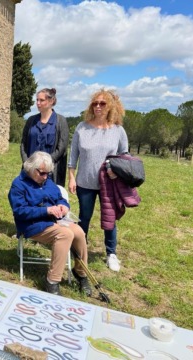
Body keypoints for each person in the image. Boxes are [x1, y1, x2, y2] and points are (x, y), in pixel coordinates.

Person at [8, 151, 91, 296]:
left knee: (78, 232)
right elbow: (20, 212)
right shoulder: (18, 185)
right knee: (65, 234)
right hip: (32, 225)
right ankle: (52, 281)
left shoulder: (47, 181)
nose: (45, 177)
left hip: (55, 220)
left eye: (48, 173)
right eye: (42, 173)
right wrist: (47, 211)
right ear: (31, 168)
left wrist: (64, 206)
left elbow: (59, 198)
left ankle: (81, 273)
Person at [68, 89, 128, 272]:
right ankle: (79, 248)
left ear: (110, 106)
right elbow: (73, 155)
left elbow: (125, 155)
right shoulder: (82, 127)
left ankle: (111, 253)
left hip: (109, 184)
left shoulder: (118, 130)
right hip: (85, 182)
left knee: (110, 219)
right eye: (95, 103)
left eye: (102, 103)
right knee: (84, 217)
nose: (98, 107)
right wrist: (71, 178)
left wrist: (117, 172)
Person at [21, 88, 69, 187]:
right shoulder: (31, 120)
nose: (38, 103)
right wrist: (28, 164)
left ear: (51, 101)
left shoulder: (60, 121)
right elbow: (23, 144)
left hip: (51, 172)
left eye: (41, 100)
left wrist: (45, 167)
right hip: (31, 170)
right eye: (37, 100)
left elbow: (62, 147)